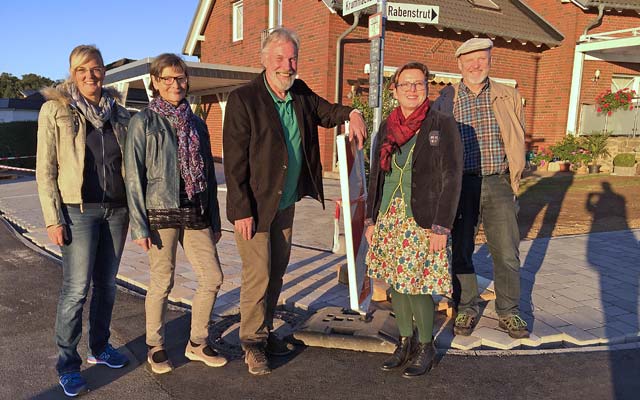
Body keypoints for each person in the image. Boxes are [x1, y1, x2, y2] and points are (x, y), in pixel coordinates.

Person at [223, 27, 367, 376]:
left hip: (284, 204)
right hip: (254, 209)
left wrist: (353, 113)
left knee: (276, 274)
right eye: (280, 58)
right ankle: (252, 343)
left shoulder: (299, 93)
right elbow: (234, 161)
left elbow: (328, 112)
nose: (287, 65)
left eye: (292, 58)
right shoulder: (245, 99)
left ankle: (265, 330)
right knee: (258, 275)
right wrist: (240, 210)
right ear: (264, 60)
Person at [36, 45, 131, 397]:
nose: (91, 76)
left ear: (105, 71)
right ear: (72, 74)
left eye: (96, 69)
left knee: (107, 285)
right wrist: (52, 218)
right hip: (78, 212)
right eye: (83, 71)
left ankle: (100, 347)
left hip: (116, 210)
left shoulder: (118, 114)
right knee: (76, 290)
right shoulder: (56, 111)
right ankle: (67, 364)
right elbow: (45, 171)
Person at [124, 53, 227, 374]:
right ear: (155, 82)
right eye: (167, 78)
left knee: (212, 277)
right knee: (162, 281)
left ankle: (197, 342)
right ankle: (155, 345)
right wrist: (139, 225)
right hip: (160, 210)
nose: (175, 84)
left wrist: (215, 218)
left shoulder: (196, 122)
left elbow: (208, 173)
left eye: (180, 78)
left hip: (195, 208)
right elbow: (133, 175)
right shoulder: (144, 121)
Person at [364, 62, 462, 377]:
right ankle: (404, 342)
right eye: (405, 84)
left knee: (418, 285)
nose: (412, 89)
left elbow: (452, 177)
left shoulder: (441, 123)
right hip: (390, 216)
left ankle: (425, 345)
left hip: (423, 219)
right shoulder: (387, 126)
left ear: (426, 86)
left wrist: (441, 226)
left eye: (418, 83)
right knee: (396, 283)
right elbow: (375, 175)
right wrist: (370, 219)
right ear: (394, 90)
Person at [432, 38, 529, 339]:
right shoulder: (446, 99)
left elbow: (517, 137)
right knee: (461, 249)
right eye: (469, 60)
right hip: (460, 184)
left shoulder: (508, 95)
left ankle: (509, 311)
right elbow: (434, 141)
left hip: (498, 181)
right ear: (459, 64)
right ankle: (466, 306)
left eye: (482, 59)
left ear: (490, 60)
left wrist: (515, 178)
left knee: (507, 252)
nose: (476, 65)